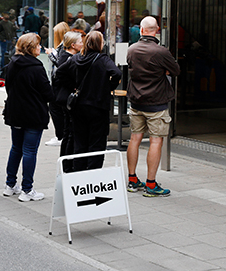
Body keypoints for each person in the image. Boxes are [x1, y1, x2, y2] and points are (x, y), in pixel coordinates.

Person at [126, 16, 180, 197]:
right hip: (156, 102)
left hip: (135, 101)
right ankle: (150, 184)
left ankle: (132, 180)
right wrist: (161, 70)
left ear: (141, 30)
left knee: (135, 138)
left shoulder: (132, 49)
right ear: (157, 30)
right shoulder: (161, 52)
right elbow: (176, 71)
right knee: (156, 140)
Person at [56, 31, 121, 171]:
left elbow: (59, 73)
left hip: (79, 106)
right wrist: (108, 87)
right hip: (98, 106)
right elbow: (117, 73)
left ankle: (79, 172)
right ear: (100, 44)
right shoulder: (103, 59)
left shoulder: (76, 58)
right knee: (97, 142)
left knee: (80, 141)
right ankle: (93, 173)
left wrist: (73, 86)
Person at [2, 33, 53, 201]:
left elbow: (9, 88)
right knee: (30, 150)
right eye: (38, 45)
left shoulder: (11, 65)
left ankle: (10, 185)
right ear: (31, 48)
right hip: (33, 115)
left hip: (15, 113)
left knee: (16, 148)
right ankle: (27, 190)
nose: (40, 48)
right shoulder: (36, 67)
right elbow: (47, 94)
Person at [49, 32, 83, 172]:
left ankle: (67, 162)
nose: (83, 43)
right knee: (69, 132)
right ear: (73, 45)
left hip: (63, 98)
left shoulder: (67, 57)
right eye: (80, 41)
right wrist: (74, 86)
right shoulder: (68, 59)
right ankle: (67, 164)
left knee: (68, 132)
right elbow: (61, 76)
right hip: (65, 99)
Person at [43, 21, 72, 147]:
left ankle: (61, 135)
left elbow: (60, 65)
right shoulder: (63, 46)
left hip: (59, 83)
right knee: (57, 108)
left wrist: (50, 55)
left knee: (56, 108)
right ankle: (61, 135)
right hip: (59, 82)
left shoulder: (63, 47)